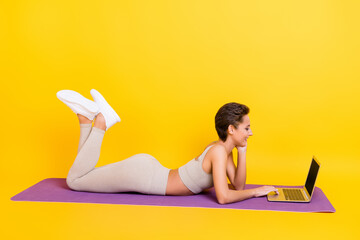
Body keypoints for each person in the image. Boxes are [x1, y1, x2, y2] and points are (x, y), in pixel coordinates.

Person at [57, 89, 278, 204]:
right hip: (143, 176)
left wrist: (243, 150)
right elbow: (223, 197)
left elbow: (238, 186)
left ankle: (85, 120)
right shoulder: (219, 152)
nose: (250, 133)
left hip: (148, 172)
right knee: (75, 181)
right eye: (246, 128)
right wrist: (257, 192)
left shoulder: (224, 150)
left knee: (82, 177)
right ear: (231, 129)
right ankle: (102, 123)